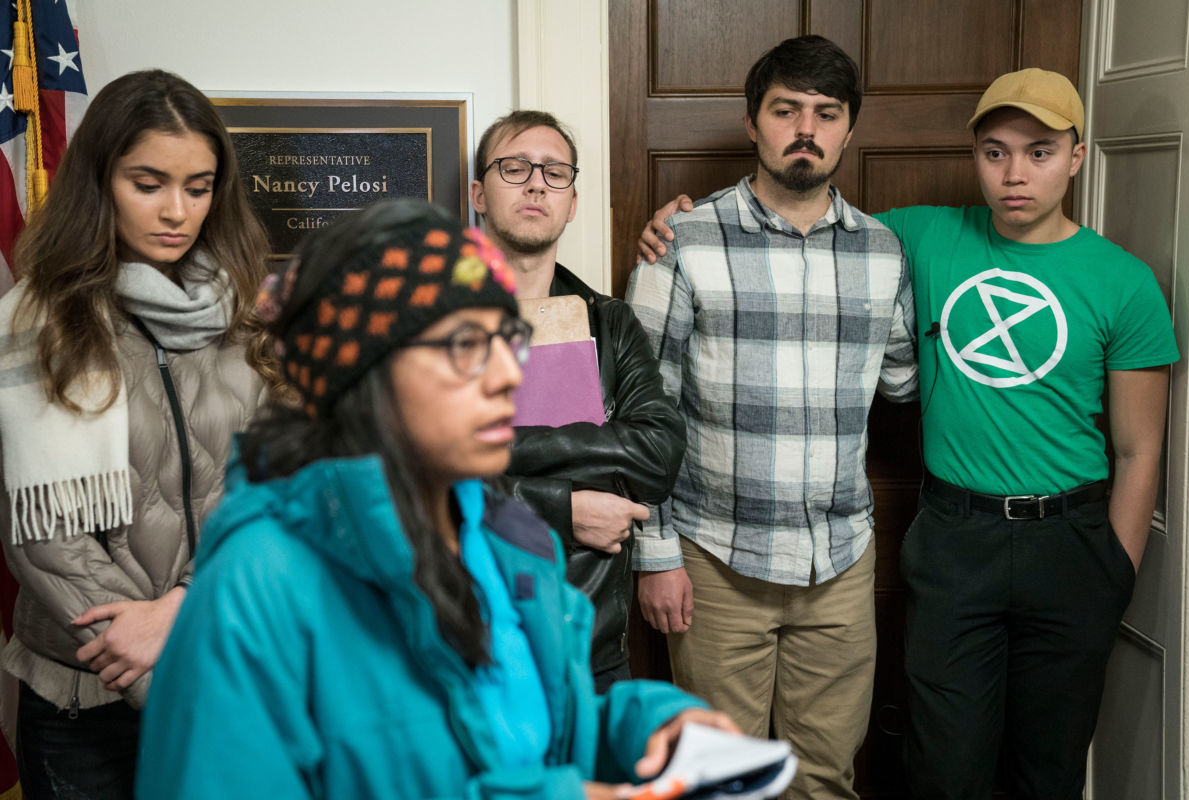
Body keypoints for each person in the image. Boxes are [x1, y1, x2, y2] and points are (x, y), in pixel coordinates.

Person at [640, 68, 1179, 800]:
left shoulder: (1119, 281)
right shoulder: (914, 236)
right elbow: (796, 232)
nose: (1015, 174)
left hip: (1069, 541)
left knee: (1047, 763)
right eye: (995, 153)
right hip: (952, 535)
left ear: (1077, 157)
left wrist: (1115, 568)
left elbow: (1140, 447)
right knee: (942, 765)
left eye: (1041, 152)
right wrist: (675, 223)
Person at [134, 199, 735, 799]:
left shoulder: (509, 540)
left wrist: (648, 726)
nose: (508, 374)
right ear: (363, 369)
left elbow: (542, 727)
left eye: (509, 339)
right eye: (466, 345)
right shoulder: (257, 584)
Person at [624, 36, 918, 799]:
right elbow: (641, 410)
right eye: (786, 109)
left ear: (849, 129)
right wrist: (654, 555)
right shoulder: (680, 243)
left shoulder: (885, 252)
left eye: (826, 113)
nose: (806, 129)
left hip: (840, 563)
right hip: (717, 560)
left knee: (824, 777)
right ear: (753, 122)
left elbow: (904, 385)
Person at [0, 69, 277, 799]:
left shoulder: (243, 319)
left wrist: (183, 608)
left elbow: (270, 486)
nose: (176, 211)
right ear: (101, 181)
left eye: (198, 185)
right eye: (148, 183)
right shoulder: (37, 322)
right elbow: (44, 537)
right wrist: (161, 674)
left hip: (220, 660)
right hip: (85, 694)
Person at [471, 110, 685, 693]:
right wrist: (564, 507)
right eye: (514, 168)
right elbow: (402, 480)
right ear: (479, 195)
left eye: (555, 172)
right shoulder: (424, 323)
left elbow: (658, 454)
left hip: (587, 645)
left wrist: (486, 450)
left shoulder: (611, 323)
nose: (536, 182)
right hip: (460, 643)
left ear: (571, 201)